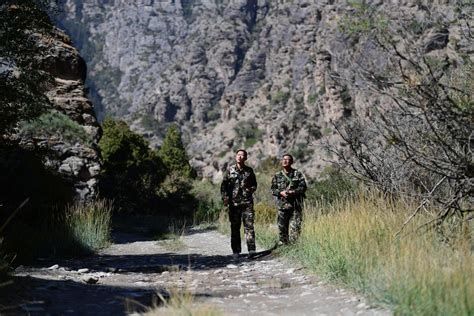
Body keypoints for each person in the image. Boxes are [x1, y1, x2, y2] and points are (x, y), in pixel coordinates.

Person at [221, 149, 257, 258]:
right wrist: (225, 198)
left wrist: (249, 190)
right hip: (234, 204)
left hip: (247, 204)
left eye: (242, 155)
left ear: (245, 158)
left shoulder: (249, 171)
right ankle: (236, 252)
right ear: (236, 157)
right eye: (238, 155)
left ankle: (251, 250)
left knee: (249, 227)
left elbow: (254, 185)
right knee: (235, 228)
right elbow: (223, 186)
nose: (240, 157)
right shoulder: (229, 170)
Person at [271, 154, 307, 245]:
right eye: (283, 159)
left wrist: (293, 192)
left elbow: (303, 187)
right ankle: (284, 245)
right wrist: (280, 193)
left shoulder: (297, 174)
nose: (285, 161)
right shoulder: (277, 175)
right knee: (282, 227)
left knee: (295, 227)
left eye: (287, 159)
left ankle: (294, 246)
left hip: (295, 206)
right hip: (282, 206)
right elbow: (273, 189)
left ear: (291, 162)